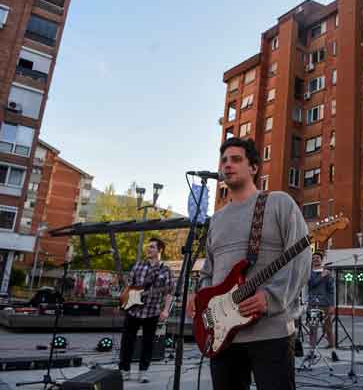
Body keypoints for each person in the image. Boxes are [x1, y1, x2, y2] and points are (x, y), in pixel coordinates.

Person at [187, 137, 311, 390]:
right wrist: (200, 297)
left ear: (253, 167)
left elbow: (301, 256)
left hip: (271, 333)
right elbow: (209, 272)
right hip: (222, 337)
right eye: (223, 160)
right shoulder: (217, 219)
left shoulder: (279, 203)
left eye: (236, 159)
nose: (227, 165)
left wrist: (272, 296)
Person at [118, 237, 174, 383]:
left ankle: (143, 372)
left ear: (160, 250)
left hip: (152, 312)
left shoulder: (165, 270)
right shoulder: (138, 265)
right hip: (133, 311)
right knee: (127, 342)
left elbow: (169, 292)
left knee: (148, 343)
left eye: (152, 247)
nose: (149, 249)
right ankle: (125, 370)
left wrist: (166, 310)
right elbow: (129, 286)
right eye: (148, 247)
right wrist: (124, 299)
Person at [307, 251, 335, 349]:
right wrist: (321, 276)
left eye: (317, 258)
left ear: (321, 259)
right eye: (313, 258)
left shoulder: (327, 272)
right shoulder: (309, 272)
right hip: (313, 304)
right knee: (313, 328)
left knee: (328, 328)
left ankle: (333, 349)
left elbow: (331, 290)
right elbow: (311, 284)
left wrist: (332, 305)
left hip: (325, 304)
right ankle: (312, 350)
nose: (315, 259)